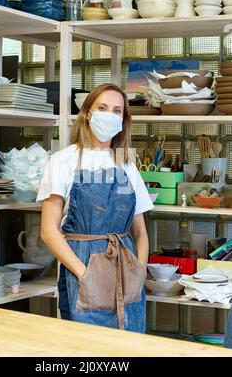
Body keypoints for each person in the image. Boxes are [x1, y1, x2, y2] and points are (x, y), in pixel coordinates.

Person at [37, 83, 153, 332]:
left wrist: (139, 271)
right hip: (83, 264)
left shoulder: (127, 164)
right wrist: (85, 274)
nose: (109, 115)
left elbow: (141, 232)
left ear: (123, 119)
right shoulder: (62, 161)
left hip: (126, 266)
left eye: (117, 110)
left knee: (129, 345)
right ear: (88, 112)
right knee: (87, 345)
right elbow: (48, 230)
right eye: (102, 107)